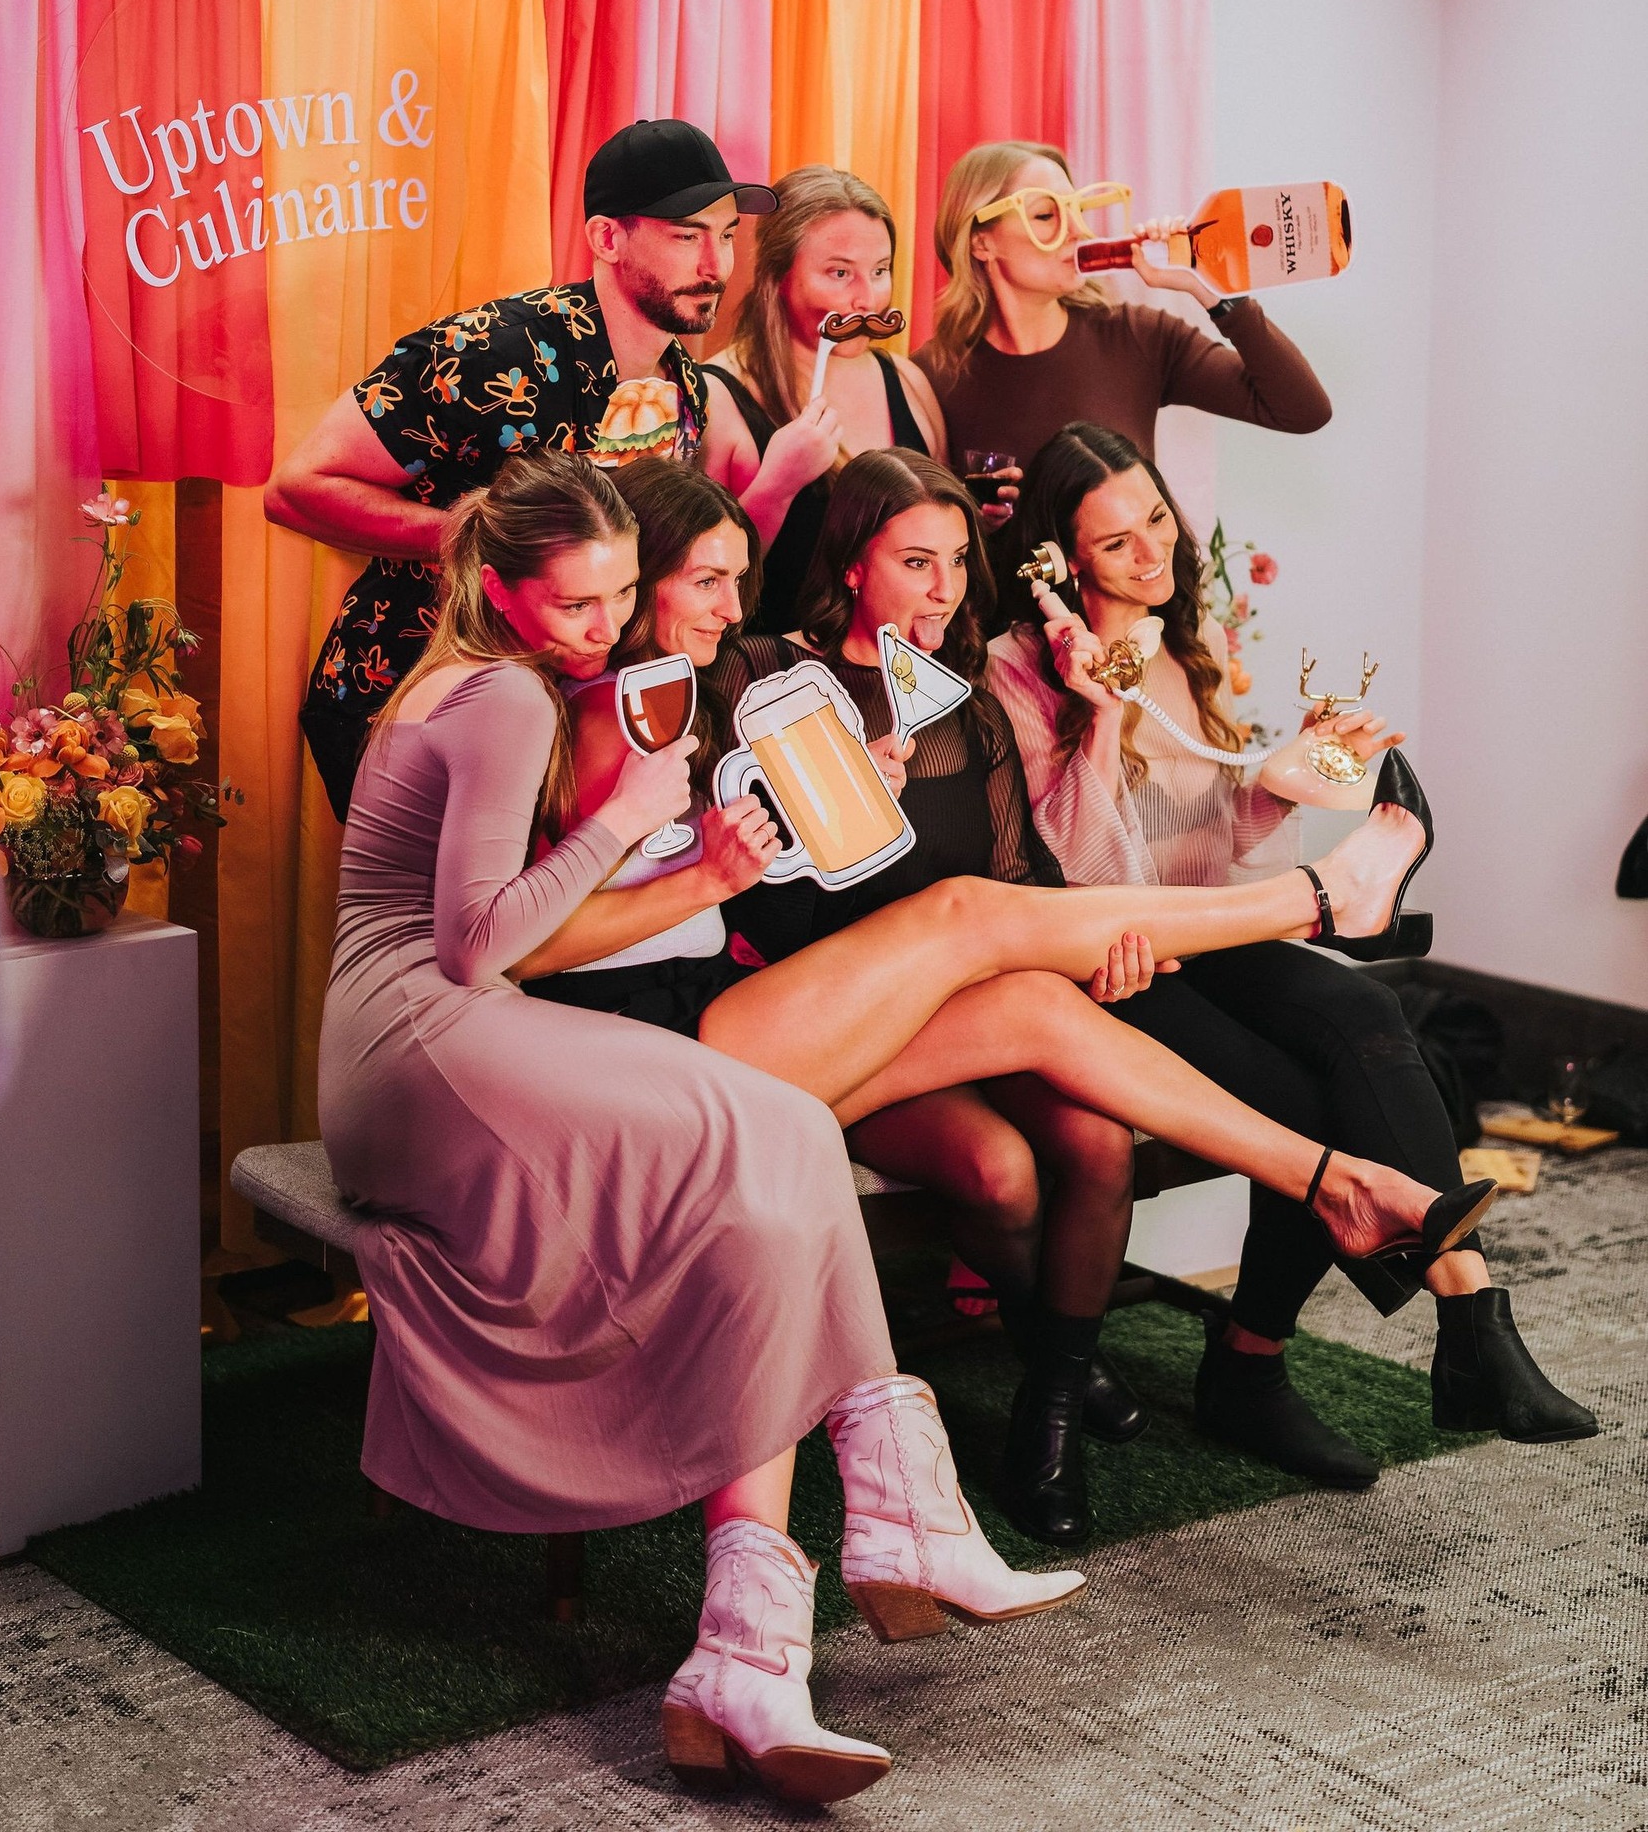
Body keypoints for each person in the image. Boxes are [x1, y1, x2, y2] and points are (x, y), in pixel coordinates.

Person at [519, 452, 1498, 1545]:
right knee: (969, 931)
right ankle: (1315, 900)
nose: (727, 602)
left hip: (793, 1002)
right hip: (685, 1035)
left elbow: (1030, 875)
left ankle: (1339, 1180)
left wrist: (838, 812)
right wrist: (769, 841)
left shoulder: (748, 698)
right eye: (701, 579)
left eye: (733, 578)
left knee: (1041, 1018)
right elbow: (534, 932)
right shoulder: (662, 697)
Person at [319, 446, 1083, 1806]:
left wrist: (688, 848)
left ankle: (758, 1639)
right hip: (426, 1044)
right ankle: (888, 1524)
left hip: (421, 1040)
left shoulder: (495, 677)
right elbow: (480, 943)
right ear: (500, 589)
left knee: (779, 1135)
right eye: (574, 605)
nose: (603, 628)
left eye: (618, 597)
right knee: (774, 1134)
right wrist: (623, 815)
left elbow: (513, 918)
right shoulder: (501, 697)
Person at [988, 421, 1597, 1484]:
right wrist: (1090, 715)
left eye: (1155, 521)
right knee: (1310, 1110)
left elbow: (1216, 843)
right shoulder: (1019, 666)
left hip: (1202, 926)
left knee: (1372, 1016)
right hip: (1106, 957)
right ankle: (1259, 1363)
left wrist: (1283, 775)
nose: (1150, 553)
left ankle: (1468, 1310)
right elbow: (1078, 870)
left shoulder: (1185, 642)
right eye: (1115, 541)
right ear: (1061, 558)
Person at [266, 118, 822, 820]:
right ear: (607, 238)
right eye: (688, 236)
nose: (716, 263)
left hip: (552, 713)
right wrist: (477, 538)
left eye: (727, 236)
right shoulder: (494, 351)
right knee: (456, 928)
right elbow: (297, 488)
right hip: (409, 696)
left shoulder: (683, 381)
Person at [911, 140, 1333, 514]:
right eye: (1046, 215)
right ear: (980, 242)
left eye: (1077, 210)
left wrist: (1211, 287)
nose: (1078, 230)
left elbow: (1303, 411)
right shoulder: (931, 376)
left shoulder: (1136, 337)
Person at [701, 165, 950, 637]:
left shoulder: (908, 381)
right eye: (839, 273)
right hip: (776, 679)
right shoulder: (717, 396)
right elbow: (699, 583)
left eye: (879, 271)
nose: (867, 298)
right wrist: (778, 484)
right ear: (778, 277)